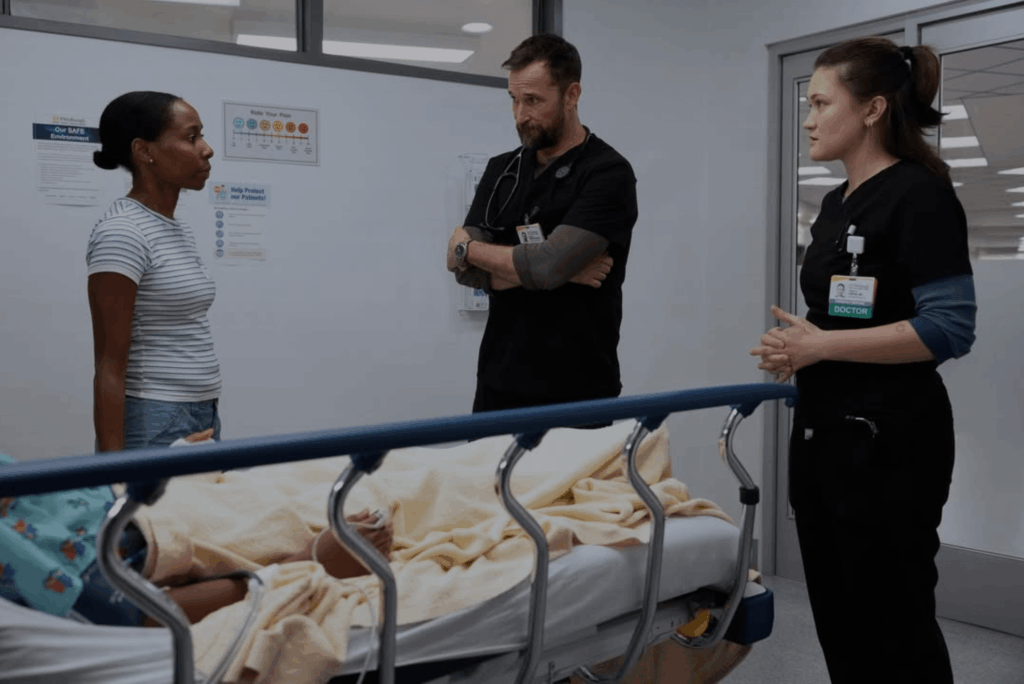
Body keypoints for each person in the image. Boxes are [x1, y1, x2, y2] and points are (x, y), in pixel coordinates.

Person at [750, 37, 976, 684]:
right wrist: (801, 346)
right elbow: (847, 312)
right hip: (824, 434)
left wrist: (822, 345)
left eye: (822, 103)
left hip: (891, 444)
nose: (809, 119)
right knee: (840, 617)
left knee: (893, 622)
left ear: (873, 109)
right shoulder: (834, 204)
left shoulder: (920, 195)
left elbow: (949, 328)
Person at [0, 431, 393, 628]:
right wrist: (307, 565)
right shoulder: (16, 554)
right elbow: (142, 614)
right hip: (169, 535)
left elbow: (69, 504)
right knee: (393, 489)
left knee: (350, 471)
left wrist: (169, 467)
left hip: (157, 501)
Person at [446, 34, 638, 422]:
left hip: (578, 390)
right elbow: (463, 272)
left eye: (533, 100)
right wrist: (559, 271)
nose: (520, 115)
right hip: (499, 384)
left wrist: (471, 249)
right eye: (514, 100)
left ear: (572, 95)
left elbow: (547, 266)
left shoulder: (607, 173)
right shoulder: (502, 169)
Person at [88, 91, 221, 452]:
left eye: (202, 136)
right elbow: (109, 364)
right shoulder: (123, 232)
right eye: (191, 137)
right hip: (153, 417)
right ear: (144, 151)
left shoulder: (175, 229)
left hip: (201, 410)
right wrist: (112, 471)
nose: (207, 149)